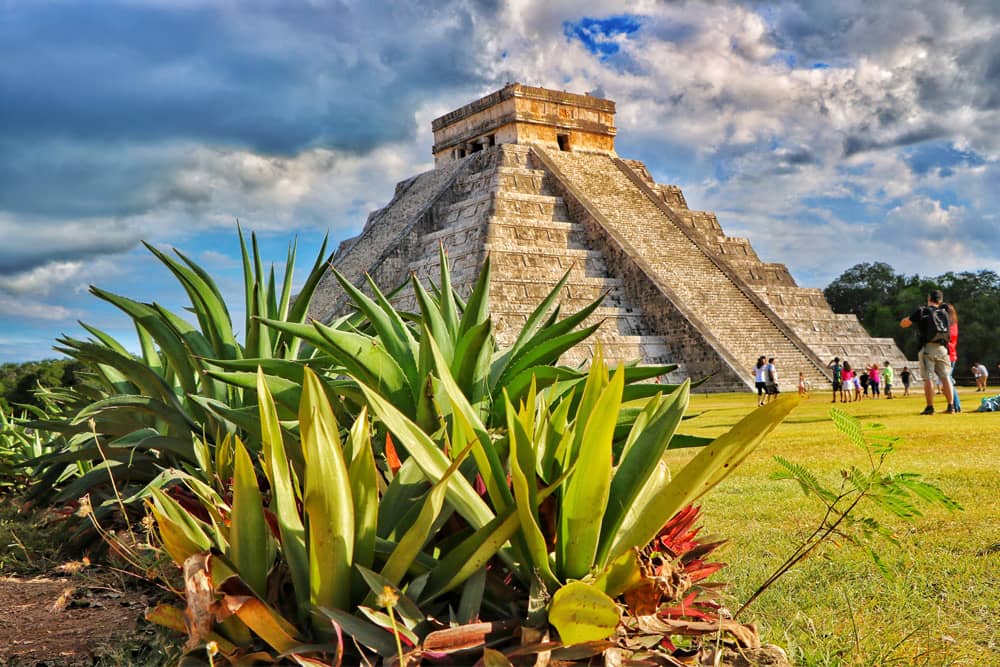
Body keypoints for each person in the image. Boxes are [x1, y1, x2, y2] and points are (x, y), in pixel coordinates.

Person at [900, 289, 955, 415]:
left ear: (929, 298)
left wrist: (906, 319)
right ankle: (950, 406)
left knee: (928, 378)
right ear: (940, 300)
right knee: (946, 378)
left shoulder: (923, 310)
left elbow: (904, 324)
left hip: (927, 348)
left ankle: (930, 407)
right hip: (942, 348)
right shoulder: (945, 312)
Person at [946, 303, 961, 413]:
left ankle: (955, 406)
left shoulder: (949, 326)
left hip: (949, 355)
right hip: (952, 355)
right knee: (948, 380)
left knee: (948, 380)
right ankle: (954, 406)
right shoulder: (954, 324)